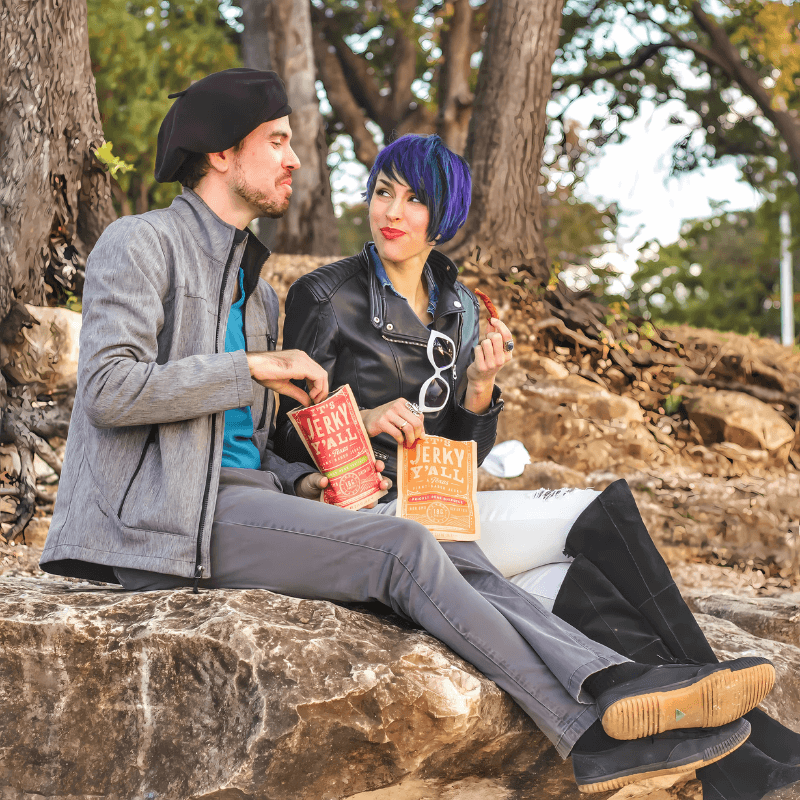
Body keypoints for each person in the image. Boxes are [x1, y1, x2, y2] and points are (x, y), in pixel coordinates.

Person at [40, 71, 769, 796]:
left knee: (449, 541)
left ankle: (615, 682)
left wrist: (304, 479)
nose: (296, 160)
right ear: (220, 154)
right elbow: (107, 390)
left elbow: (255, 445)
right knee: (405, 545)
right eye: (278, 142)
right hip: (162, 524)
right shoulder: (139, 245)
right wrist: (251, 368)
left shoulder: (255, 291)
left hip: (244, 499)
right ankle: (587, 737)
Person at [276, 132, 800, 800]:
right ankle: (746, 733)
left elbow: (462, 460)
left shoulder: (458, 306)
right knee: (592, 511)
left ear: (446, 217)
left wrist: (478, 395)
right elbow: (285, 443)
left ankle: (745, 762)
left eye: (414, 199)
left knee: (572, 582)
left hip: (446, 509)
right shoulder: (325, 297)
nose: (393, 212)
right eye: (383, 191)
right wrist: (364, 422)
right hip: (373, 518)